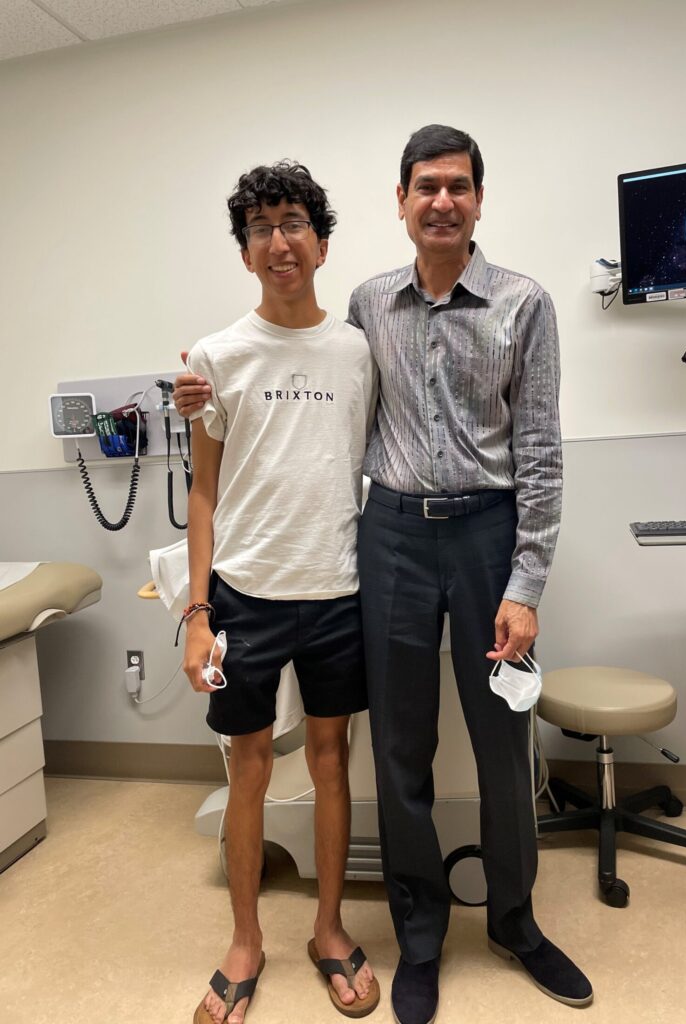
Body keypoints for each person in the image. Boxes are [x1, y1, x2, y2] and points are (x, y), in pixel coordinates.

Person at [175, 126, 592, 1024]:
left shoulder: (526, 304)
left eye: (459, 186)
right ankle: (421, 932)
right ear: (400, 202)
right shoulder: (368, 308)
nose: (442, 200)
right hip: (393, 538)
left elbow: (543, 457)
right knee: (398, 746)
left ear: (479, 199)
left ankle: (517, 922)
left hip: (488, 535)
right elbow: (306, 417)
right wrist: (199, 404)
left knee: (497, 741)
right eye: (425, 187)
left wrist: (525, 587)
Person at [182, 161, 379, 1024]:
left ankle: (329, 930)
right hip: (247, 594)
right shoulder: (216, 359)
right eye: (260, 227)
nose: (278, 240)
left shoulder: (356, 349)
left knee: (332, 762)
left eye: (292, 221)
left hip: (340, 588)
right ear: (246, 253)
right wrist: (196, 614)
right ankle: (245, 939)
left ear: (322, 242)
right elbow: (203, 492)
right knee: (250, 766)